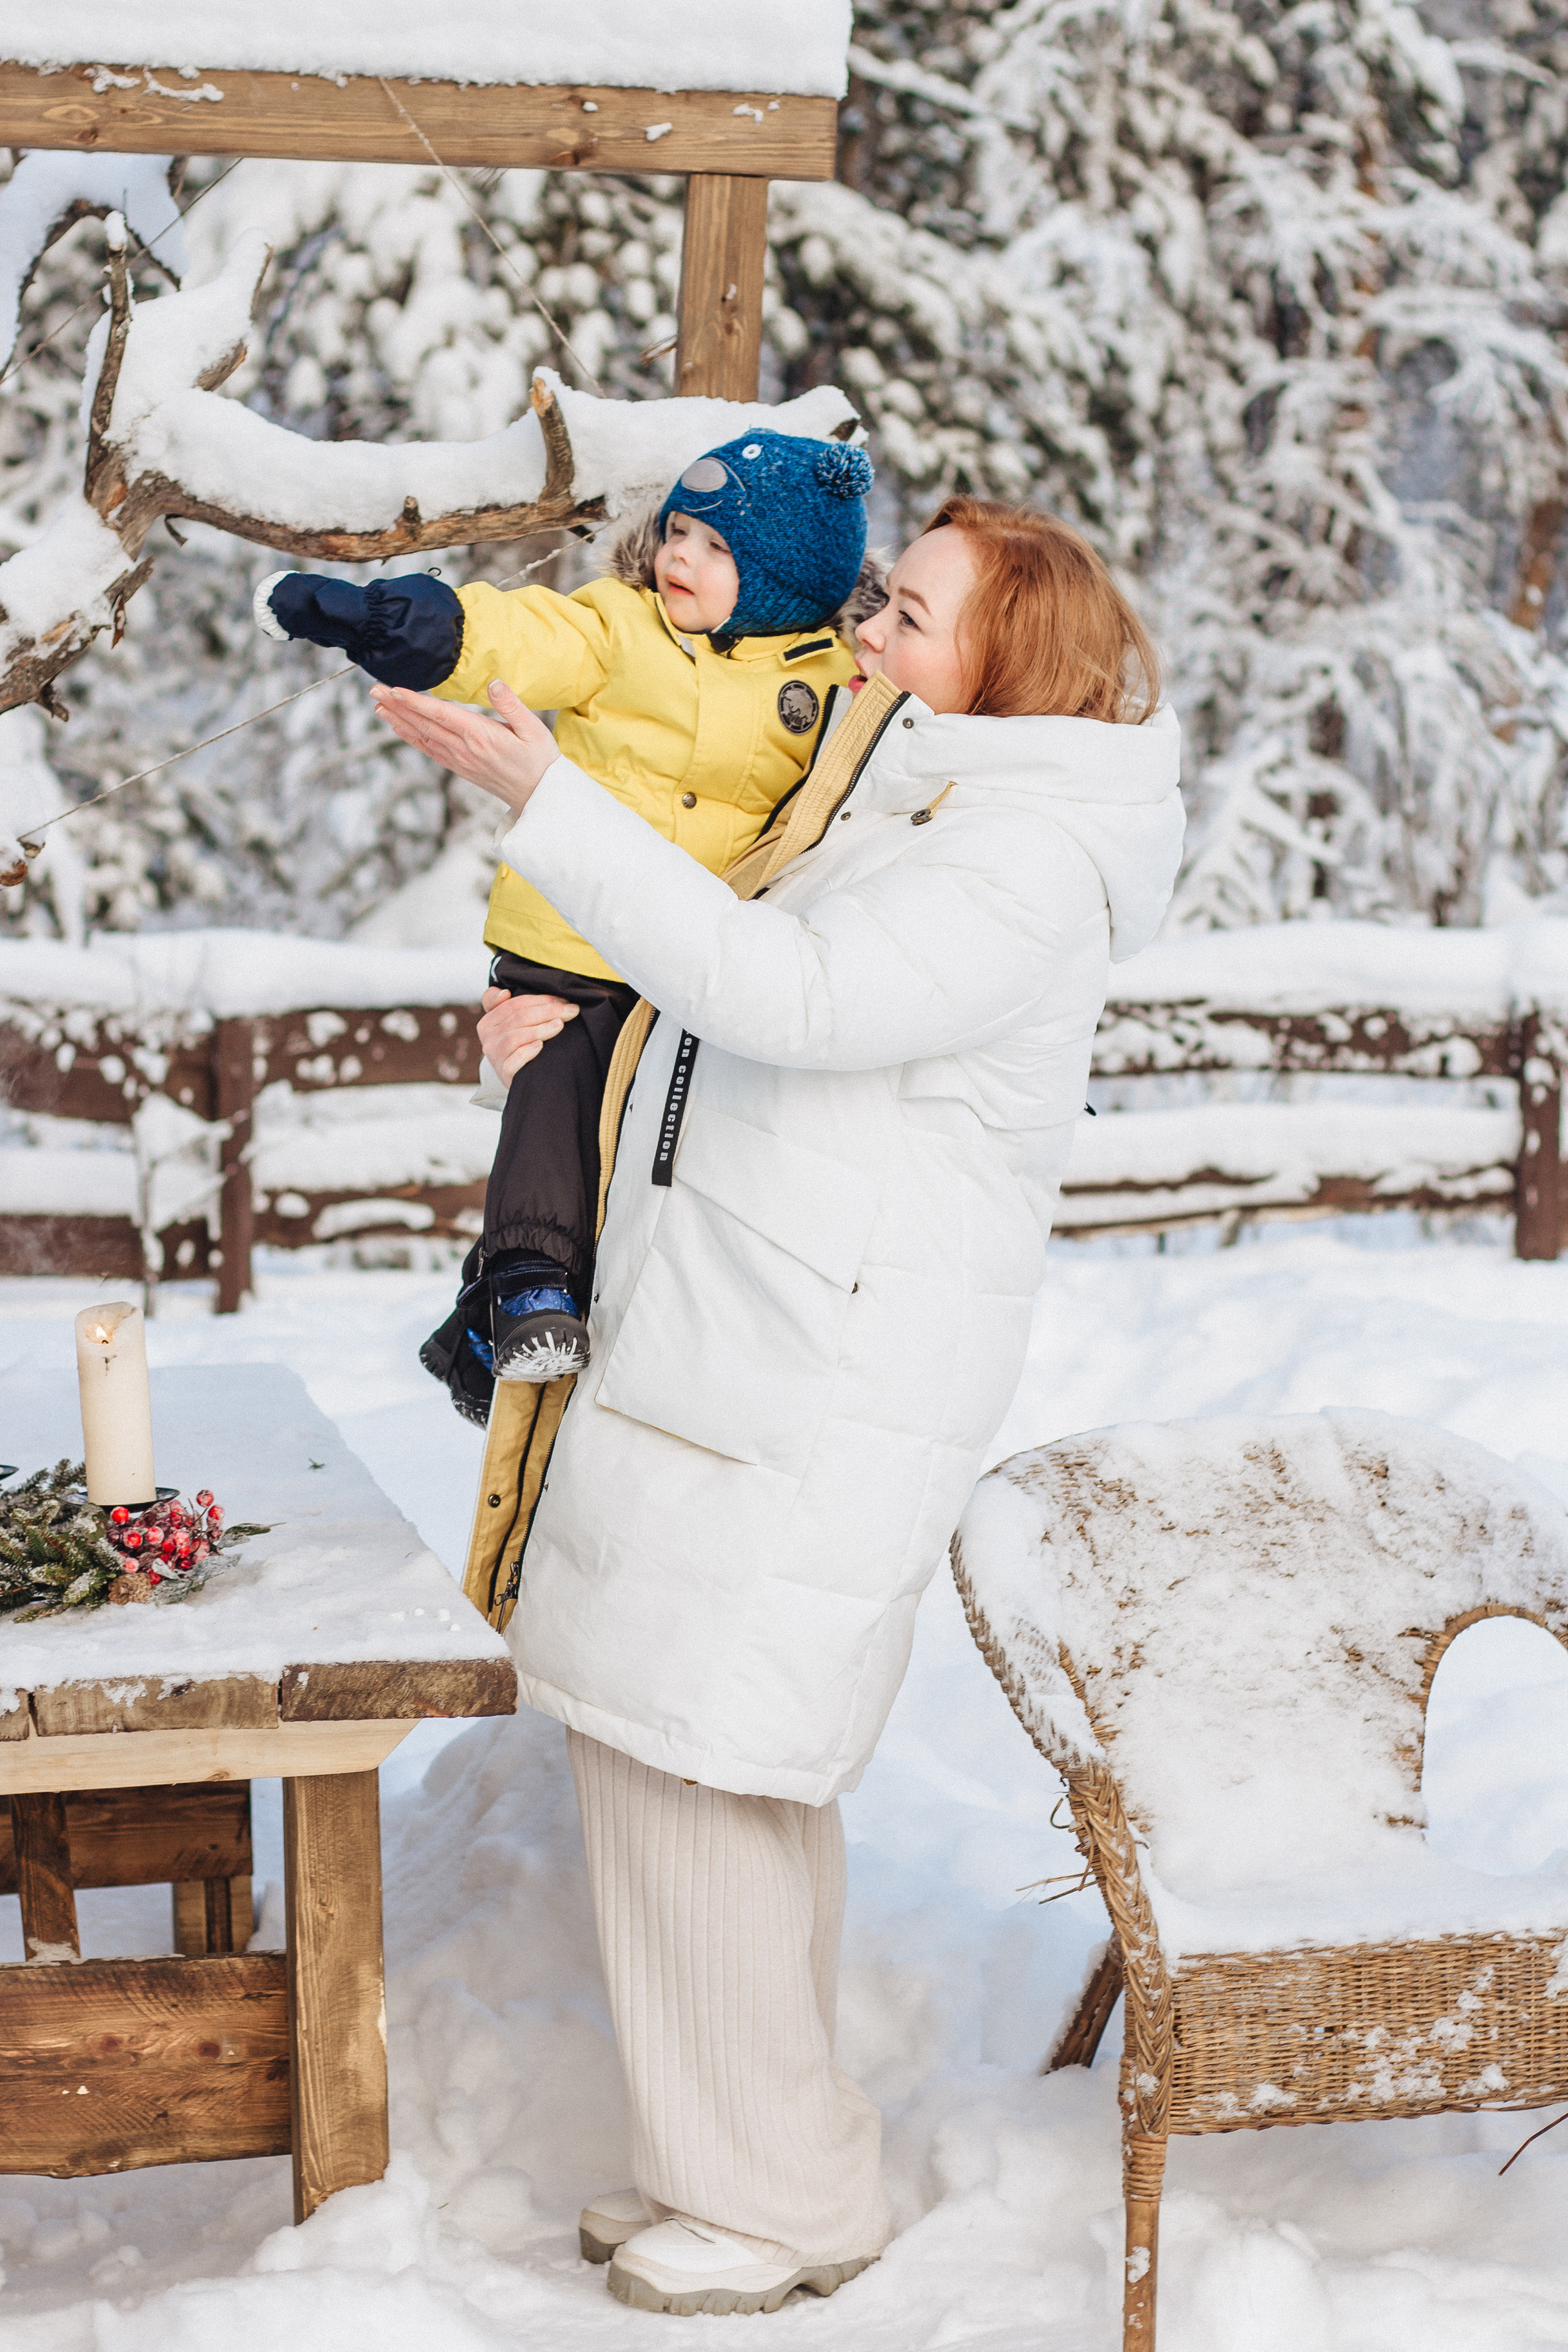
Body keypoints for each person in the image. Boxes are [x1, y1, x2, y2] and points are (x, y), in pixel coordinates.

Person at [370, 496, 1185, 2316]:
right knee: (683, 1773)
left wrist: (551, 803)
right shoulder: (921, 813)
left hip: (816, 1383)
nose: (873, 632)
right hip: (739, 1349)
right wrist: (563, 1041)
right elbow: (712, 1015)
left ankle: (782, 2203)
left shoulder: (1019, 866)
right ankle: (746, 2167)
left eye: (912, 613)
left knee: (715, 1776)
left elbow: (796, 1002)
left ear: (1010, 665)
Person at [254, 426, 875, 1417]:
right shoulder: (621, 631)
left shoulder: (832, 683)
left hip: (691, 964)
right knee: (555, 1080)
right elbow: (524, 637)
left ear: (789, 580)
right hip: (570, 942)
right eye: (679, 530)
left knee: (632, 1157)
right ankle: (528, 1285)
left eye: (720, 549)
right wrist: (393, 622)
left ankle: (473, 1330)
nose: (680, 557)